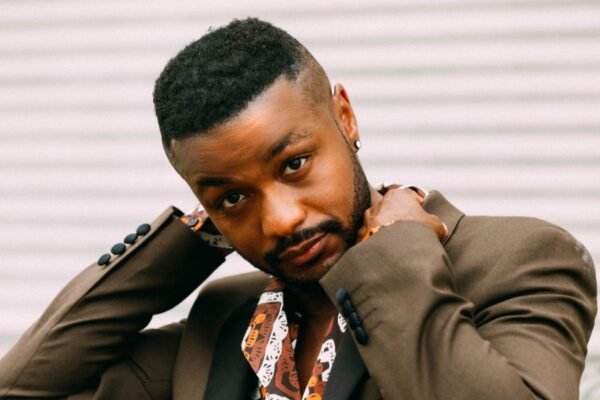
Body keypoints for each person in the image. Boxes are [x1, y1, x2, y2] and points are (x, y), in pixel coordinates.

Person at [0, 17, 596, 400]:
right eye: (233, 198)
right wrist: (186, 244)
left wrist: (394, 258)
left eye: (294, 165)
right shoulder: (226, 318)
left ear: (345, 117)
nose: (281, 220)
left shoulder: (515, 260)